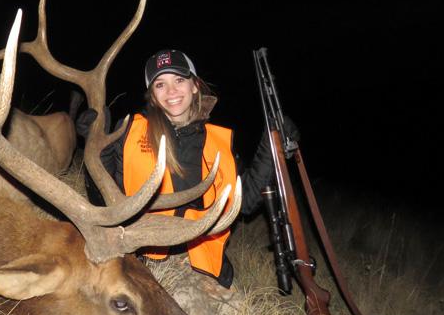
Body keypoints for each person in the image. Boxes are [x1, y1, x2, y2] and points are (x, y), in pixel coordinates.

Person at [76, 48, 298, 292]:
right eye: (160, 84)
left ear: (194, 85)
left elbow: (243, 202)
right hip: (144, 263)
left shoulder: (218, 143)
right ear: (152, 95)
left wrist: (271, 145)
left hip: (204, 270)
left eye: (179, 80)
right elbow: (104, 201)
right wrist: (97, 146)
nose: (171, 91)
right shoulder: (130, 132)